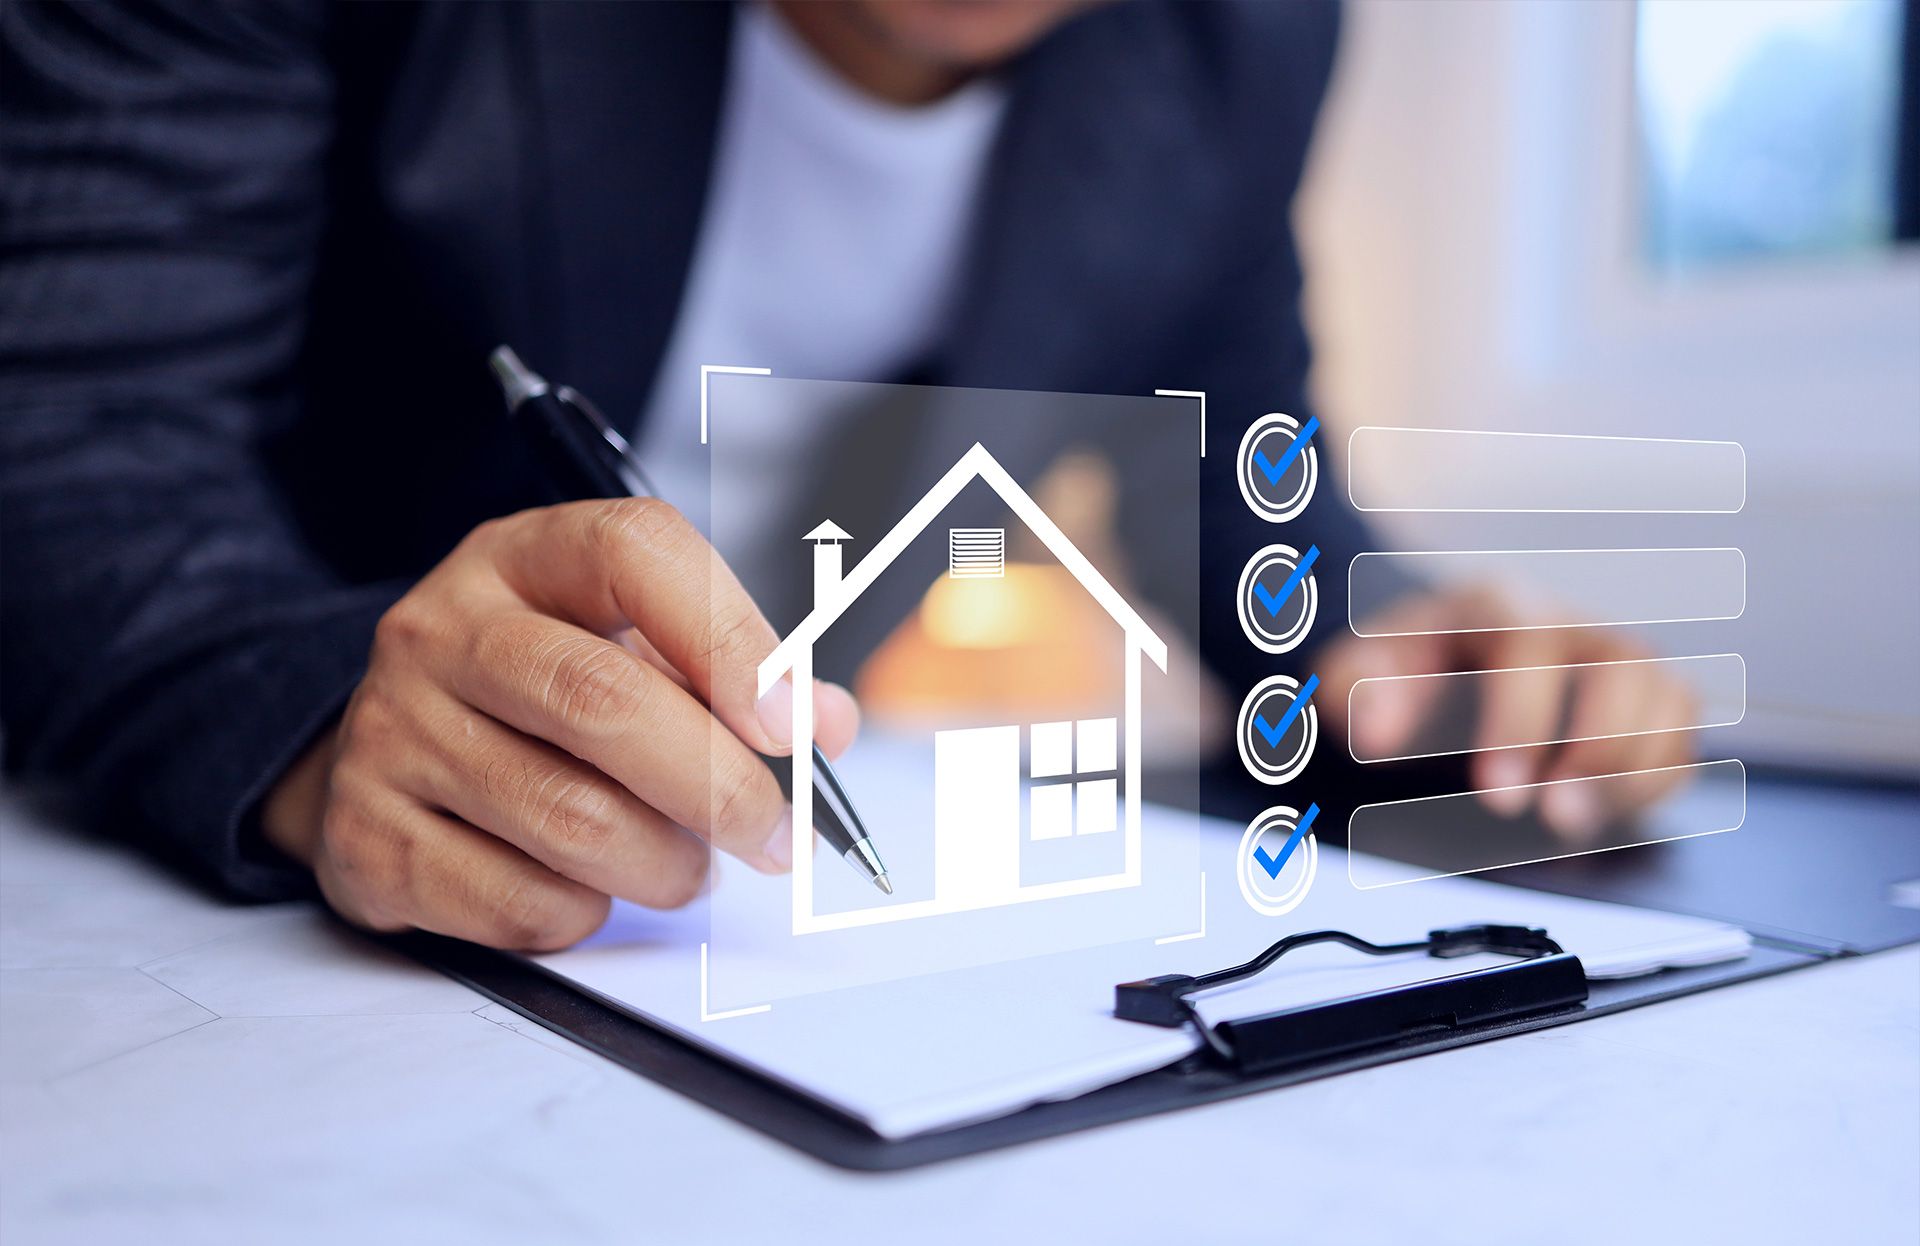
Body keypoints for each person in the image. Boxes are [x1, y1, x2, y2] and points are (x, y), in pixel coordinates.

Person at [0, 0, 1694, 951]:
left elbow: (1247, 502)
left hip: (753, 960)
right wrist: (316, 722)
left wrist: (1430, 680)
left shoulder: (1234, 45)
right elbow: (66, 438)